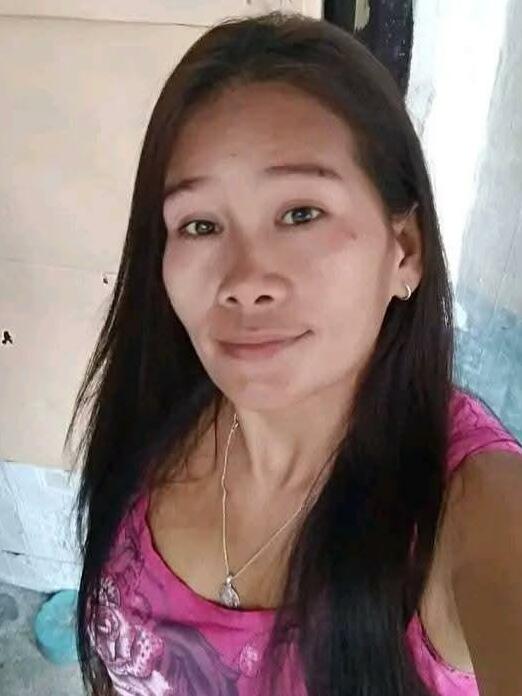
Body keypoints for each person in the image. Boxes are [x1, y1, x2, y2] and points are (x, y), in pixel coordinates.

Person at [67, 11, 522, 696]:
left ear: (405, 251)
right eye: (200, 225)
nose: (245, 280)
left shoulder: (473, 510)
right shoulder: (159, 406)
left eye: (301, 214)